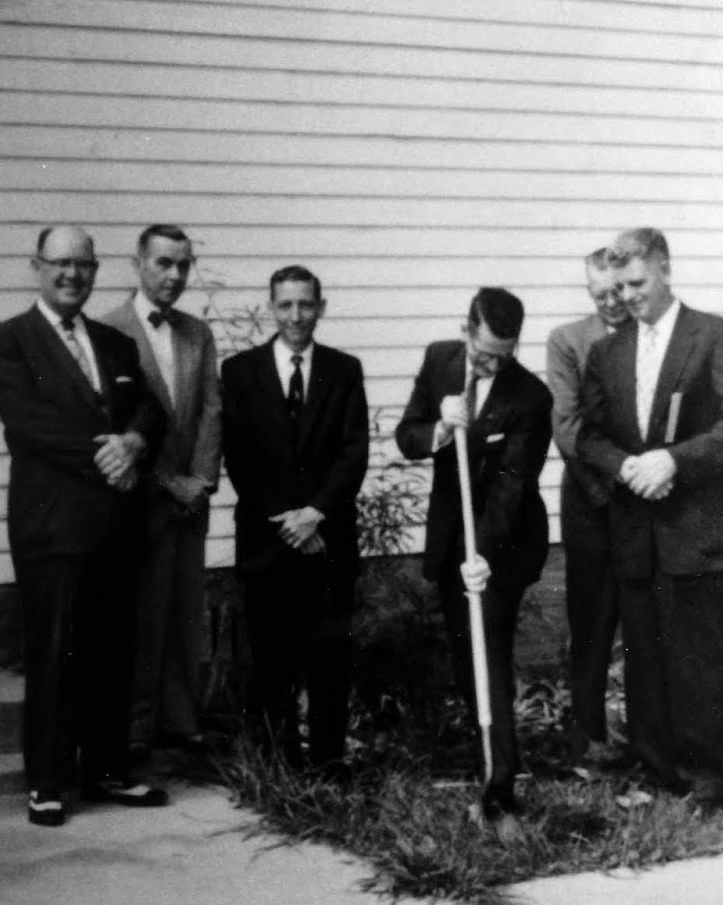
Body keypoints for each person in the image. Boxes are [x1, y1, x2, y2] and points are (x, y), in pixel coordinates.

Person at [0, 226, 168, 827]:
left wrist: (135, 439)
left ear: (95, 270)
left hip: (115, 523)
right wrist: (110, 458)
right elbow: (28, 424)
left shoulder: (112, 342)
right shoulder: (7, 341)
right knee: (55, 651)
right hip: (53, 525)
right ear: (36, 265)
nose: (72, 276)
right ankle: (49, 781)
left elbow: (150, 407)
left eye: (83, 266)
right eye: (59, 264)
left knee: (111, 649)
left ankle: (107, 770)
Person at [577, 228, 723, 814]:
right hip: (636, 534)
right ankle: (657, 769)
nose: (628, 297)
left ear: (665, 269)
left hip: (697, 530)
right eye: (619, 287)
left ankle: (706, 777)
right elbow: (590, 434)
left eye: (638, 283)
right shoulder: (608, 353)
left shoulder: (716, 336)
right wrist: (625, 464)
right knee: (645, 657)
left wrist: (675, 462)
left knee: (700, 659)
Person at [395, 287, 553, 820]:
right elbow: (406, 436)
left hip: (502, 543)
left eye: (503, 355)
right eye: (484, 353)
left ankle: (501, 786)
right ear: (466, 330)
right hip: (450, 534)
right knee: (466, 660)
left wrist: (483, 554)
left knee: (490, 654)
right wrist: (440, 427)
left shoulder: (531, 396)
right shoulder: (440, 360)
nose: (492, 364)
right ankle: (489, 755)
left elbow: (513, 482)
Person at [221, 266, 369, 774]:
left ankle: (328, 765)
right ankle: (279, 770)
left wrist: (315, 515)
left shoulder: (344, 370)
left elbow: (353, 453)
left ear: (321, 307)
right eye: (285, 305)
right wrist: (288, 523)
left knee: (329, 660)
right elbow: (240, 458)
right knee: (273, 662)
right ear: (271, 308)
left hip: (328, 541)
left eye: (306, 304)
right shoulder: (240, 372)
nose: (296, 316)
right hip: (268, 542)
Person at [97, 224, 222, 759]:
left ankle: (178, 716)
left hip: (189, 499)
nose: (174, 275)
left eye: (183, 265)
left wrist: (201, 479)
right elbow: (112, 420)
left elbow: (212, 410)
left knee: (182, 608)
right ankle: (134, 725)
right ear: (138, 263)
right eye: (163, 263)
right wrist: (164, 480)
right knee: (141, 612)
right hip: (138, 499)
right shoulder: (108, 330)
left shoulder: (198, 333)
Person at [544, 247, 629, 768]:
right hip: (593, 500)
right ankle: (586, 738)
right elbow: (568, 427)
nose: (613, 303)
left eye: (619, 291)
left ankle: (649, 737)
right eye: (601, 296)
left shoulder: (653, 337)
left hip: (651, 502)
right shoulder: (568, 341)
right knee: (593, 622)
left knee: (647, 625)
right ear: (589, 293)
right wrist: (617, 483)